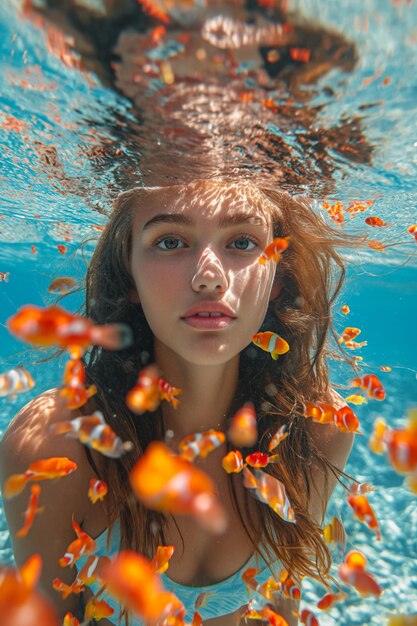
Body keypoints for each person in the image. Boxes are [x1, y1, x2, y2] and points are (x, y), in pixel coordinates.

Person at [0, 180, 360, 626]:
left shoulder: (319, 427)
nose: (208, 276)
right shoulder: (55, 446)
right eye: (170, 241)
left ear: (277, 280)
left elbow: (280, 602)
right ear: (129, 273)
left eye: (243, 242)